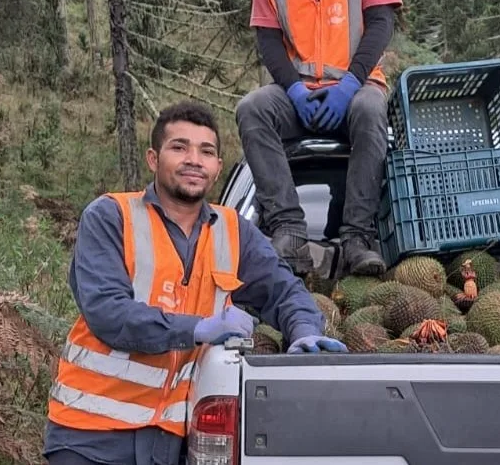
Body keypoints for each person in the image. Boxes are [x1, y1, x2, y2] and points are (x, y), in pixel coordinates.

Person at [43, 101, 346, 465]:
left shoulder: (235, 231)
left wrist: (303, 329)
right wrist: (198, 328)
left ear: (218, 167)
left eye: (206, 151)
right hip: (90, 435)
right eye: (179, 147)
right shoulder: (111, 217)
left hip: (169, 442)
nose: (194, 160)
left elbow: (282, 289)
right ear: (153, 159)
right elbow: (108, 313)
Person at [235, 0, 402, 277]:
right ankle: (288, 229)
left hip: (357, 82)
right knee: (252, 108)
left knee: (370, 111)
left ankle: (357, 237)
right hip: (296, 91)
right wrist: (292, 86)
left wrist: (351, 82)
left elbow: (381, 22)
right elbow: (268, 37)